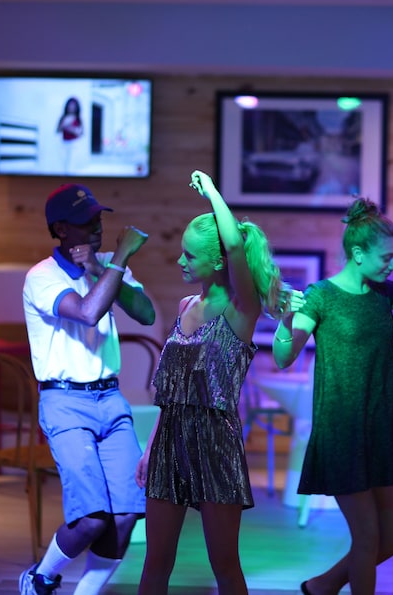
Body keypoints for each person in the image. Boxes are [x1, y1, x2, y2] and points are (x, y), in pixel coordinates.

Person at [272, 197, 393, 595]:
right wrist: (286, 320)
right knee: (367, 536)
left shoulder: (384, 292)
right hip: (342, 430)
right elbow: (283, 357)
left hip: (385, 428)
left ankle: (323, 585)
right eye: (387, 257)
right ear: (358, 253)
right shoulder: (320, 296)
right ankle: (329, 586)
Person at [135, 170, 286, 595]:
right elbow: (171, 393)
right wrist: (150, 447)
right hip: (170, 440)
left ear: (218, 262)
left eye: (190, 255)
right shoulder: (186, 304)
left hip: (215, 442)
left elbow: (234, 244)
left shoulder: (241, 308)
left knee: (225, 566)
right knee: (155, 562)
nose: (180, 262)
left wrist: (213, 192)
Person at [20, 183, 156, 595]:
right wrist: (121, 258)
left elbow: (146, 314)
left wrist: (102, 267)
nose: (97, 227)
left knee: (126, 515)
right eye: (85, 221)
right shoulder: (42, 276)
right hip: (64, 400)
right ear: (61, 229)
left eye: (99, 218)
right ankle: (40, 579)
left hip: (110, 399)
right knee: (91, 519)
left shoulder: (106, 267)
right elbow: (87, 311)